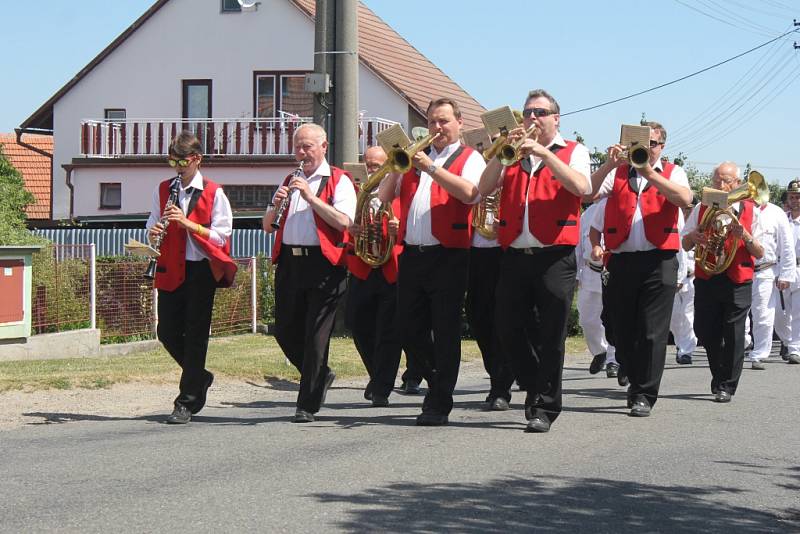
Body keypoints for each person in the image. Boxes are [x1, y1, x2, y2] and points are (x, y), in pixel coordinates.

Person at [479, 89, 591, 433]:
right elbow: (482, 188)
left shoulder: (574, 151)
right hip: (514, 252)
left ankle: (544, 407)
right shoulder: (512, 154)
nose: (532, 118)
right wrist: (500, 152)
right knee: (507, 326)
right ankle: (533, 382)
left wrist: (544, 152)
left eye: (540, 112)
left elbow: (582, 188)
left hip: (555, 254)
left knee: (551, 334)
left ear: (556, 118)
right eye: (527, 112)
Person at [378, 97, 486, 426]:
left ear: (459, 123)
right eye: (432, 122)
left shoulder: (470, 157)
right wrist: (395, 171)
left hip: (449, 253)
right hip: (412, 253)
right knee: (408, 327)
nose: (437, 128)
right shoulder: (414, 159)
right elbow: (383, 197)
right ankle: (436, 378)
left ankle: (439, 401)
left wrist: (431, 167)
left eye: (443, 121)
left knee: (445, 328)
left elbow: (471, 193)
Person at [589, 121, 693, 417]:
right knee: (619, 327)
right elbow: (588, 193)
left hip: (659, 260)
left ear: (662, 147)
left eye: (654, 144)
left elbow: (685, 199)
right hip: (621, 259)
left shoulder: (674, 172)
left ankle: (643, 393)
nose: (647, 149)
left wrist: (649, 171)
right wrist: (608, 164)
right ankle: (629, 370)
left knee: (651, 332)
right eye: (642, 143)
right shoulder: (619, 172)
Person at [263, 123, 356, 423]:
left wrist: (312, 198)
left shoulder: (339, 180)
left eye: (308, 147)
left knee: (316, 337)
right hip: (291, 262)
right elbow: (267, 226)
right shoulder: (290, 179)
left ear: (324, 147)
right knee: (285, 331)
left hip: (324, 265)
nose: (302, 153)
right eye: (298, 147)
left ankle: (307, 404)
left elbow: (344, 222)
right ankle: (321, 375)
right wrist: (274, 205)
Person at [146, 131, 237, 424]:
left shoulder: (214, 192)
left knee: (196, 335)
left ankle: (185, 402)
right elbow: (152, 220)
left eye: (182, 160)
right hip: (171, 267)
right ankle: (199, 376)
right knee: (167, 332)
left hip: (200, 270)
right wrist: (154, 231)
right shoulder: (164, 189)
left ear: (196, 159)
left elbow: (223, 235)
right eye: (172, 160)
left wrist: (189, 225)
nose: (177, 167)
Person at [682, 162, 764, 402]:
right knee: (706, 331)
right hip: (708, 276)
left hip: (738, 278)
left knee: (735, 332)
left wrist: (745, 236)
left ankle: (726, 384)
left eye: (726, 180)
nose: (720, 184)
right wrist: (693, 236)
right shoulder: (701, 207)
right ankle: (719, 375)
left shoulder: (752, 210)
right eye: (716, 179)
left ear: (737, 184)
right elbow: (685, 244)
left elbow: (760, 252)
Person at [345, 145, 403, 407]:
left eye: (377, 165)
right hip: (363, 266)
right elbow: (347, 225)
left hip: (391, 267)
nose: (371, 169)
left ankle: (382, 387)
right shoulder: (359, 193)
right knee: (359, 325)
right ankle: (376, 375)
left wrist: (396, 229)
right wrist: (353, 230)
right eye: (368, 164)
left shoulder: (399, 190)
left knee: (388, 332)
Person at [746, 191, 795, 370]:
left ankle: (759, 353)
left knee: (763, 314)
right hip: (741, 268)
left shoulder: (776, 212)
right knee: (738, 313)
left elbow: (787, 245)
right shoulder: (741, 208)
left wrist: (786, 274)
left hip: (765, 270)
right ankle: (743, 345)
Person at [576, 201, 619, 377]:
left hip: (614, 271)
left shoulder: (620, 207)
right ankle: (600, 351)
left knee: (615, 320)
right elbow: (578, 246)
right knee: (587, 320)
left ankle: (614, 360)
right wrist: (576, 275)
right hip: (590, 271)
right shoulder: (588, 214)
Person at [774, 179, 800, 365]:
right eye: (792, 196)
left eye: (798, 197)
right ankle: (787, 340)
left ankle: (795, 349)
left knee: (798, 312)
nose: (795, 200)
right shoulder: (781, 218)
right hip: (780, 267)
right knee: (778, 313)